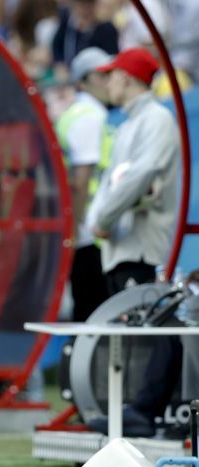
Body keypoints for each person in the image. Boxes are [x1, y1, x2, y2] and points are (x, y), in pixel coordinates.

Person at [87, 47, 178, 295]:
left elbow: (141, 174)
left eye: (111, 76)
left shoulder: (157, 118)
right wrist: (98, 220)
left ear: (125, 77)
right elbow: (110, 182)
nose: (107, 84)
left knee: (142, 320)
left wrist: (102, 219)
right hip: (121, 252)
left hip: (141, 252)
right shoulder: (128, 125)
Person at [55, 47, 112, 321]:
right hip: (88, 227)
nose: (109, 81)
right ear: (83, 81)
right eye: (101, 75)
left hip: (83, 224)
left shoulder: (77, 113)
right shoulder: (90, 116)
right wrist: (75, 231)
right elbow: (81, 179)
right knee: (92, 311)